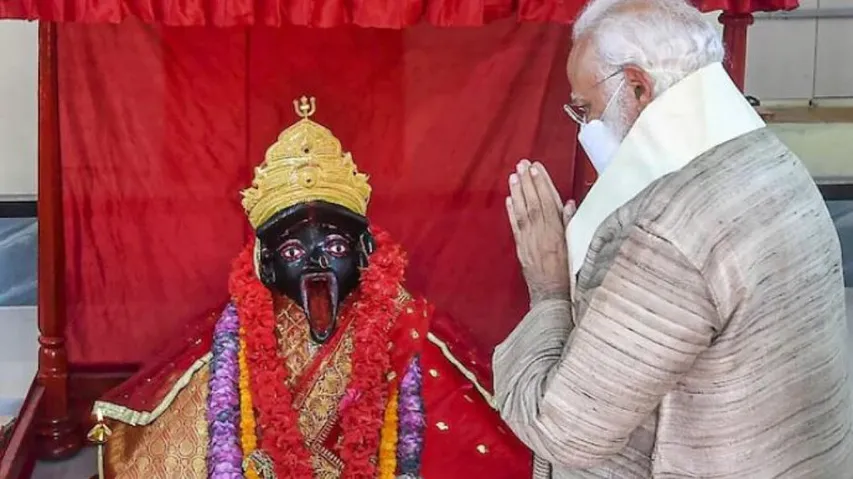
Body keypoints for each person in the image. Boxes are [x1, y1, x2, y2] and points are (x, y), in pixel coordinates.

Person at [493, 0, 853, 477]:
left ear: (638, 87)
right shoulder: (769, 158)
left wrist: (548, 288)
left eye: (587, 109)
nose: (585, 129)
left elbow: (562, 428)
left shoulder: (673, 229)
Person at [89, 97, 532, 479]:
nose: (317, 261)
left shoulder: (405, 326)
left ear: (364, 253)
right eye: (294, 253)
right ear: (265, 264)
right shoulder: (238, 333)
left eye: (335, 246)